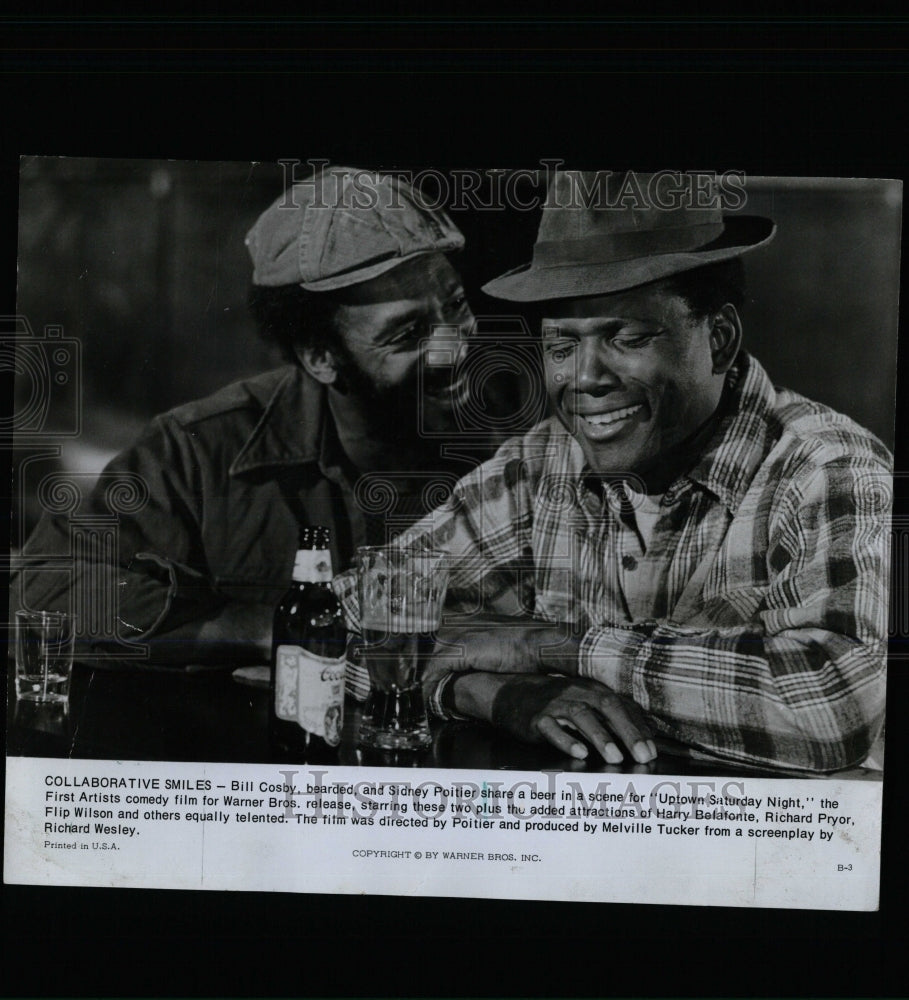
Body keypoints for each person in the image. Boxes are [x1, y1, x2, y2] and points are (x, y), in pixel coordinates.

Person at [336, 170, 891, 774]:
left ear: (721, 340)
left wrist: (544, 645)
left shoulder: (829, 469)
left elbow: (834, 707)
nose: (584, 378)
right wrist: (488, 693)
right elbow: (342, 619)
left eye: (626, 337)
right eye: (560, 347)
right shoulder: (541, 464)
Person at [13, 165, 479, 666]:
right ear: (320, 357)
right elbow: (44, 587)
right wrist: (269, 627)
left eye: (454, 305)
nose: (455, 347)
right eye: (407, 335)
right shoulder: (199, 451)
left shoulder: (520, 440)